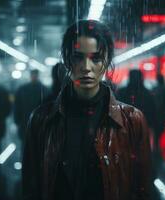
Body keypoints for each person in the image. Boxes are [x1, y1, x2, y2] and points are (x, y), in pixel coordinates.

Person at [22, 20, 152, 200]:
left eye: (96, 58)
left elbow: (142, 190)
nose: (86, 67)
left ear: (107, 61)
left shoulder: (132, 120)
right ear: (67, 59)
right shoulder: (41, 120)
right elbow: (31, 188)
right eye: (78, 57)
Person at [14, 69, 49, 144]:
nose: (34, 77)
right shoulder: (44, 90)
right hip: (36, 123)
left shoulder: (22, 89)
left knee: (26, 146)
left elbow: (17, 106)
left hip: (27, 122)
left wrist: (17, 120)